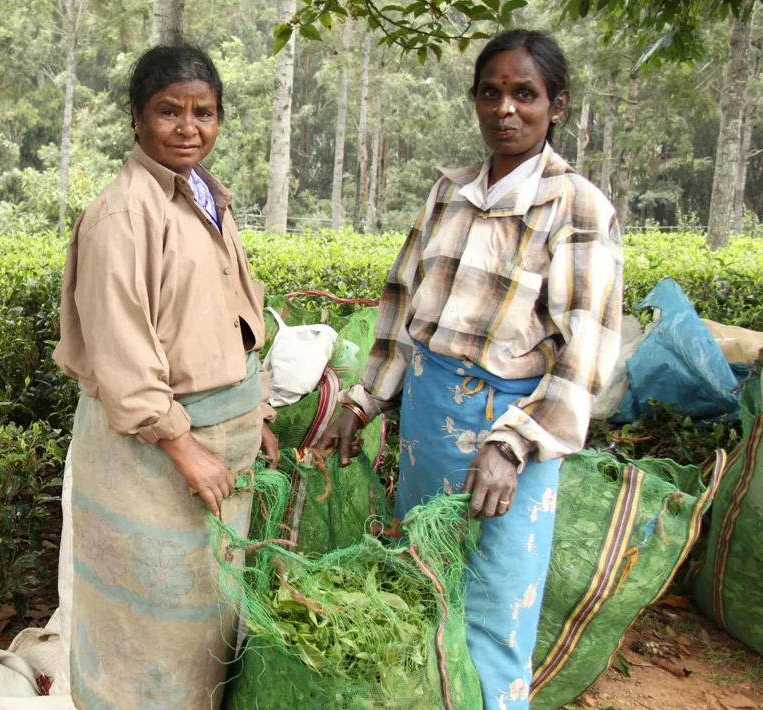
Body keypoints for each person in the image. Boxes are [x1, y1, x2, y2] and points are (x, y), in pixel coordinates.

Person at [321, 29, 624, 710]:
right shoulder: (450, 192)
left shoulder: (577, 207)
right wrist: (364, 401)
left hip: (509, 432)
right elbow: (404, 310)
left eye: (525, 94)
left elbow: (586, 357)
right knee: (423, 584)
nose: (506, 109)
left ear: (557, 105)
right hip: (429, 421)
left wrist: (512, 447)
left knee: (493, 605)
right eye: (491, 93)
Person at [52, 45, 279, 710]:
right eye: (169, 112)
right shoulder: (124, 215)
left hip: (216, 442)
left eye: (203, 113)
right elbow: (123, 353)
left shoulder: (204, 194)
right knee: (149, 626)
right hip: (155, 458)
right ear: (136, 119)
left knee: (205, 619)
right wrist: (183, 447)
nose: (188, 127)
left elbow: (235, 312)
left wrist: (255, 413)